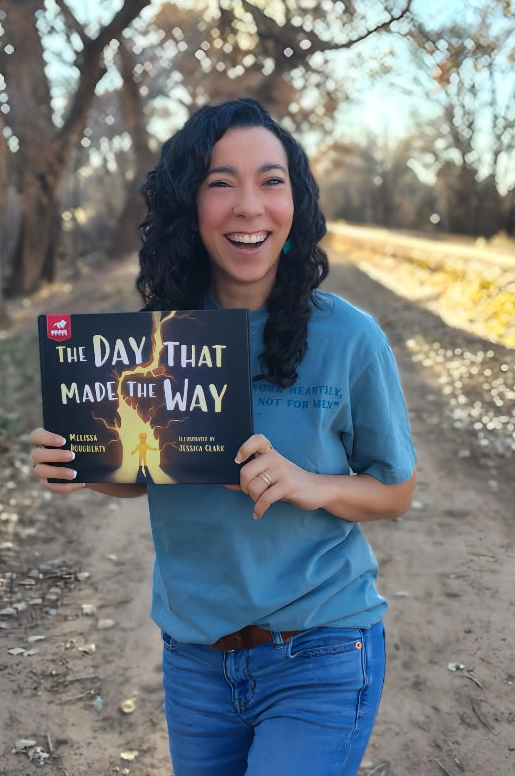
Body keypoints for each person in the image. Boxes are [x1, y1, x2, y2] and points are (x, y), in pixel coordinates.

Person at [29, 98, 417, 776]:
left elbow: (396, 489)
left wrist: (310, 483)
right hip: (196, 660)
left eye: (271, 180)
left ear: (296, 203)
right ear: (189, 204)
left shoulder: (350, 337)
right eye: (220, 182)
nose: (248, 206)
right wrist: (80, 463)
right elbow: (142, 475)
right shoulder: (152, 344)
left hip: (321, 650)